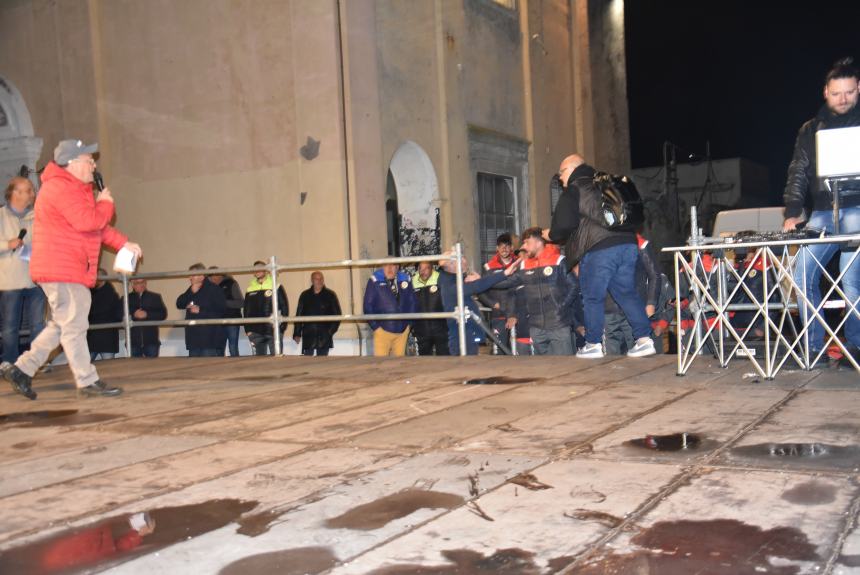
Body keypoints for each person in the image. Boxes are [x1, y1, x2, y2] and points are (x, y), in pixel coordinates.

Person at [3, 139, 142, 399]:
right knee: (75, 325)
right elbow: (88, 221)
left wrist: (125, 243)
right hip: (62, 267)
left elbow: (97, 227)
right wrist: (105, 203)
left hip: (67, 267)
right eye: (89, 160)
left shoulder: (74, 189)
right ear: (73, 164)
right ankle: (87, 380)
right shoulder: (59, 188)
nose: (93, 164)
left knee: (61, 325)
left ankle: (22, 369)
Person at [783, 57, 860, 364]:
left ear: (859, 90)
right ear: (825, 92)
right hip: (824, 212)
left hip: (858, 210)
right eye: (837, 92)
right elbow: (798, 170)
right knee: (801, 275)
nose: (843, 99)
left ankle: (855, 345)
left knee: (852, 281)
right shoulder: (810, 129)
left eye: (849, 92)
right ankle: (813, 348)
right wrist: (793, 210)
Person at [547, 154, 655, 359]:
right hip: (628, 244)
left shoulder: (576, 187)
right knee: (626, 293)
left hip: (600, 249)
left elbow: (563, 225)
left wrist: (551, 235)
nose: (560, 179)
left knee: (592, 296)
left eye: (561, 174)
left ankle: (593, 344)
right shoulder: (604, 183)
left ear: (570, 169)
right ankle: (644, 340)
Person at [503, 227, 578, 355]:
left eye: (527, 242)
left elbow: (574, 285)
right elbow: (507, 282)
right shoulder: (524, 265)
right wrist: (481, 280)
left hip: (558, 326)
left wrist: (562, 307)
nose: (524, 246)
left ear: (538, 242)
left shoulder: (559, 261)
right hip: (536, 329)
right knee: (543, 370)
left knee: (565, 368)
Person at [0, 176, 45, 370]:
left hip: (35, 278)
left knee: (38, 325)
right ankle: (9, 363)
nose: (33, 194)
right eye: (28, 190)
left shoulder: (38, 216)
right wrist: (7, 244)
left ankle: (34, 362)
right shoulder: (1, 216)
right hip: (10, 281)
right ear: (15, 193)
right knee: (10, 327)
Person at [437, 252, 519, 355]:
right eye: (461, 259)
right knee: (465, 368)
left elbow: (476, 286)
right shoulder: (449, 285)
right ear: (452, 265)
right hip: (462, 337)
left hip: (469, 333)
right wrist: (504, 273)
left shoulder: (455, 280)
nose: (465, 261)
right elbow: (476, 286)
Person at [603, 234, 662, 355]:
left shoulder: (640, 244)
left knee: (638, 359)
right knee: (609, 360)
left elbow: (654, 275)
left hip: (633, 308)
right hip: (608, 311)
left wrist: (651, 303)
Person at [363, 264, 417, 357]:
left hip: (402, 332)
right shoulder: (375, 280)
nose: (389, 268)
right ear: (382, 267)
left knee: (399, 365)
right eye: (386, 265)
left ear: (397, 268)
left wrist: (409, 325)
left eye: (393, 265)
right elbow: (367, 306)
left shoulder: (405, 279)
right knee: (381, 365)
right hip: (382, 332)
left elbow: (413, 302)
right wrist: (376, 327)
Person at [176, 263, 227, 357]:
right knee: (193, 369)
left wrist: (201, 311)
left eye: (192, 275)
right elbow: (179, 304)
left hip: (209, 340)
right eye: (189, 275)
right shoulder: (191, 289)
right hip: (193, 339)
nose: (189, 278)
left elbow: (222, 311)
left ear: (201, 276)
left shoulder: (214, 290)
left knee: (208, 369)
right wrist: (191, 292)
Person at [479, 233, 518, 353]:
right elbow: (481, 290)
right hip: (498, 314)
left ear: (511, 247)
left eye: (507, 246)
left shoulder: (519, 264)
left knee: (519, 351)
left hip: (518, 314)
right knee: (499, 350)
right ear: (496, 248)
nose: (504, 249)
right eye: (501, 246)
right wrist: (492, 304)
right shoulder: (489, 267)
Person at [244, 260, 288, 356]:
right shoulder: (250, 289)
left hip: (273, 328)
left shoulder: (276, 285)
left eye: (260, 268)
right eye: (255, 269)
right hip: (255, 331)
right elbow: (246, 310)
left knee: (277, 359)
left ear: (266, 270)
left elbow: (284, 307)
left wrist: (281, 328)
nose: (257, 271)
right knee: (258, 362)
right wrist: (247, 329)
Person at [293, 271, 340, 356]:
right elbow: (299, 315)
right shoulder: (304, 295)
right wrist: (297, 333)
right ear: (312, 280)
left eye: (321, 278)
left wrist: (330, 332)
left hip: (324, 335)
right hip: (308, 334)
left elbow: (337, 315)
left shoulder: (330, 295)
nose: (319, 281)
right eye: (316, 279)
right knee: (307, 363)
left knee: (322, 363)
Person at [411, 262, 449, 356]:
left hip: (441, 328)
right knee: (424, 361)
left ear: (432, 269)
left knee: (444, 359)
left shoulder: (441, 279)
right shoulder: (412, 281)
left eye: (426, 268)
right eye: (420, 268)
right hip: (421, 329)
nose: (423, 271)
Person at [87, 269, 123, 361]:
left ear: (103, 279)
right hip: (98, 338)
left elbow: (92, 312)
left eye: (96, 277)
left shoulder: (111, 295)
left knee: (108, 368)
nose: (94, 280)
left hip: (104, 338)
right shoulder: (109, 293)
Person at [126, 278, 167, 358]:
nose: (142, 284)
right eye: (138, 282)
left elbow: (163, 314)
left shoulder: (155, 297)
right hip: (133, 342)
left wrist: (147, 314)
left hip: (151, 341)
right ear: (132, 285)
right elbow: (118, 314)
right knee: (134, 369)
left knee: (152, 368)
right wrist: (134, 314)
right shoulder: (126, 298)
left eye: (143, 282)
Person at [208, 266, 243, 356]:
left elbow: (241, 303)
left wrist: (223, 303)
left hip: (232, 320)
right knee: (219, 348)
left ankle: (236, 368)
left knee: (233, 347)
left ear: (221, 274)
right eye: (211, 276)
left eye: (216, 275)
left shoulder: (231, 283)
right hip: (216, 322)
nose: (214, 278)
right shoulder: (208, 287)